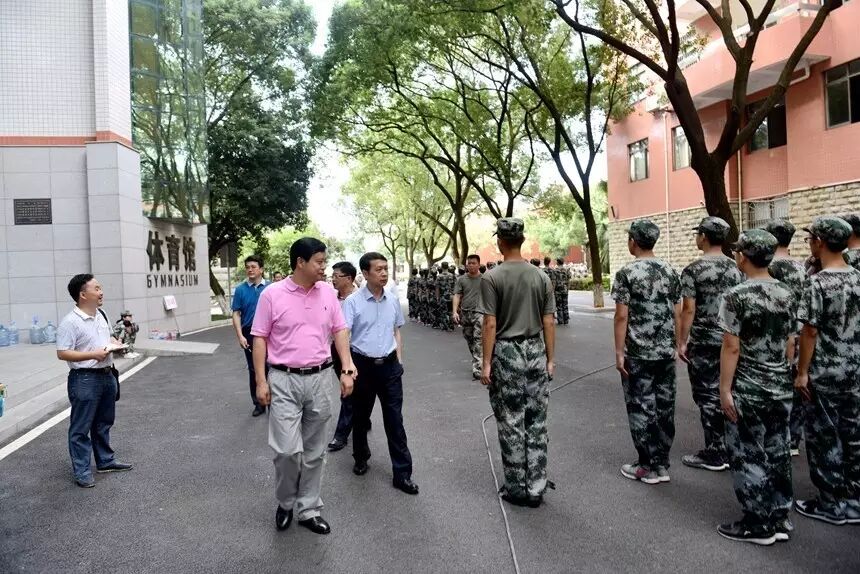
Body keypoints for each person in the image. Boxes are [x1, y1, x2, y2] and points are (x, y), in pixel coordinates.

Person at [251, 237, 356, 535]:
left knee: (314, 451)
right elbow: (260, 338)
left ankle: (309, 508)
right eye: (319, 262)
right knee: (286, 451)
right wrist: (261, 381)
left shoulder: (327, 293)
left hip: (321, 378)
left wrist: (347, 367)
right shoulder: (272, 295)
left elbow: (339, 330)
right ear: (300, 262)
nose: (324, 268)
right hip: (283, 379)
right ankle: (286, 502)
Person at [716, 229, 797, 546]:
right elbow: (790, 342)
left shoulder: (736, 296)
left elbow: (731, 346)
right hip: (780, 384)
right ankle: (779, 516)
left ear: (744, 257)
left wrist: (725, 390)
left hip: (749, 387)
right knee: (779, 451)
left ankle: (757, 524)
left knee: (749, 453)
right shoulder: (787, 293)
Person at [478, 218, 556, 507]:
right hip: (535, 350)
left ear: (500, 242)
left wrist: (486, 363)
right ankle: (536, 487)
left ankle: (516, 488)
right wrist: (550, 359)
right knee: (536, 419)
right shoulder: (541, 276)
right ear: (521, 240)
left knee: (511, 420)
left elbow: (489, 323)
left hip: (507, 352)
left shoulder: (492, 278)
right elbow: (549, 321)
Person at [794, 216, 860, 526]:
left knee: (824, 437)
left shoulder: (817, 283)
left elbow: (810, 331)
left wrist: (802, 372)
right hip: (855, 370)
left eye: (811, 238)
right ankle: (854, 499)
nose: (810, 243)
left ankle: (831, 503)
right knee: (853, 435)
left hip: (826, 372)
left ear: (820, 242)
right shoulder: (858, 278)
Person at [611, 219, 681, 485]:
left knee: (641, 407)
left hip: (638, 353)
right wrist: (677, 344)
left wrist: (619, 352)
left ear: (633, 241)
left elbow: (621, 316)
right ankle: (661, 464)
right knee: (665, 407)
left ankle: (646, 465)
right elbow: (677, 311)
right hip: (665, 353)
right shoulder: (670, 271)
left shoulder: (627, 273)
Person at [344, 252, 419, 495]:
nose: (384, 273)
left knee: (395, 421)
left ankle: (403, 474)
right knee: (360, 417)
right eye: (378, 269)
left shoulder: (392, 300)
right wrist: (348, 367)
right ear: (365, 273)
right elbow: (344, 335)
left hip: (389, 367)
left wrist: (399, 359)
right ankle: (361, 457)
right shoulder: (353, 302)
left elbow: (396, 331)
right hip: (362, 366)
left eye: (386, 268)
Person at [677, 216, 743, 472]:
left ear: (703, 236)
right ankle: (733, 447)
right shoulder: (737, 268)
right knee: (729, 391)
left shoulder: (693, 270)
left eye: (698, 233)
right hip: (732, 340)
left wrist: (682, 341)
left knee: (707, 395)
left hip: (704, 342)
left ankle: (716, 451)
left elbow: (689, 309)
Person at [56, 274, 133, 488]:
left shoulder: (102, 314)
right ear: (83, 295)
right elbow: (62, 353)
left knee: (103, 423)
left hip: (107, 375)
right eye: (97, 288)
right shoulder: (70, 322)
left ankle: (105, 461)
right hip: (84, 379)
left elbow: (106, 339)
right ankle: (82, 471)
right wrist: (93, 355)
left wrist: (115, 343)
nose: (101, 292)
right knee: (81, 428)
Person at [764, 218, 808, 457]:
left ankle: (777, 437)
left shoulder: (769, 267)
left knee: (775, 386)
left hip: (776, 335)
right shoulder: (801, 267)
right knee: (796, 386)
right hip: (800, 332)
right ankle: (793, 439)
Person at [232, 255, 270, 417]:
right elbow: (236, 313)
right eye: (247, 267)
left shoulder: (271, 287)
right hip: (250, 332)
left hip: (270, 333)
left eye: (253, 267)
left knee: (273, 367)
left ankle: (274, 401)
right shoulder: (240, 289)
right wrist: (240, 336)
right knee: (254, 369)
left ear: (261, 269)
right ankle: (258, 403)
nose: (250, 270)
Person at [328, 261, 360, 452]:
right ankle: (361, 418)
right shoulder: (331, 298)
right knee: (349, 389)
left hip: (355, 351)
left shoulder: (360, 298)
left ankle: (341, 435)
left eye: (336, 276)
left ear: (348, 278)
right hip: (335, 350)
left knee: (347, 391)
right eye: (332, 276)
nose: (332, 279)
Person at [453, 254, 484, 380]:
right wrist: (454, 312)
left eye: (473, 263)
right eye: (469, 263)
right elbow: (457, 295)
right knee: (469, 338)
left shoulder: (485, 279)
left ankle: (478, 369)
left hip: (479, 313)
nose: (471, 265)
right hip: (465, 314)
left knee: (478, 340)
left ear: (479, 264)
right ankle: (478, 360)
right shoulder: (461, 279)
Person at [554, 258, 570, 325]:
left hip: (558, 290)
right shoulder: (567, 270)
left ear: (557, 263)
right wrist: (567, 288)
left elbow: (554, 281)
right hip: (565, 290)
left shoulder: (555, 270)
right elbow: (569, 279)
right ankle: (566, 320)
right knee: (565, 305)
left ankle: (560, 320)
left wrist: (553, 290)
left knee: (559, 305)